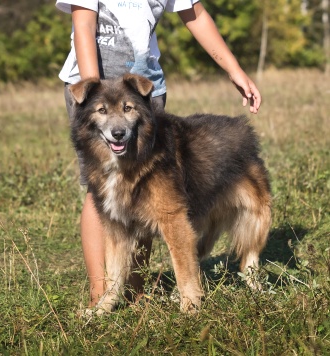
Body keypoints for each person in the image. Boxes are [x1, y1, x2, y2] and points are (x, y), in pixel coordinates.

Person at [55, 0, 262, 309]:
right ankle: (102, 295)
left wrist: (234, 70)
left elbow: (195, 15)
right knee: (100, 192)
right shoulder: (93, 94)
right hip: (93, 90)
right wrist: (93, 91)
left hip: (144, 91)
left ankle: (137, 294)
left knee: (151, 194)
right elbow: (83, 25)